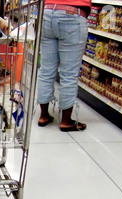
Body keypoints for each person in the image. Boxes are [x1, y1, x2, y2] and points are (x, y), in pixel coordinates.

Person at [36, 0, 91, 131]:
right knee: (69, 73)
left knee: (46, 70)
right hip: (72, 15)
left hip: (47, 13)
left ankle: (43, 116)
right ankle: (66, 121)